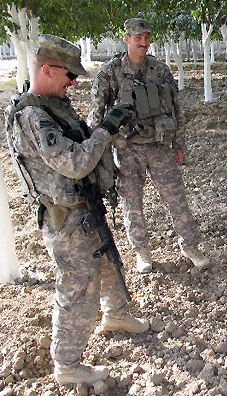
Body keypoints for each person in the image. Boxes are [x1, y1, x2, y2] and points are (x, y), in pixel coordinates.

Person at [4, 34, 150, 386]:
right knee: (78, 285)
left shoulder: (55, 104)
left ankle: (115, 314)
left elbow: (83, 143)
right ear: (47, 69)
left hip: (84, 207)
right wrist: (107, 128)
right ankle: (67, 363)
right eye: (69, 75)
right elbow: (74, 162)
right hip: (64, 216)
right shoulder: (32, 116)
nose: (72, 83)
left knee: (108, 262)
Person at [87, 18, 209, 273]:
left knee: (177, 200)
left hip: (159, 147)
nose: (143, 43)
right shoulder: (111, 72)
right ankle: (142, 251)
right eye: (137, 38)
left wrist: (179, 144)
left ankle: (190, 246)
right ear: (127, 38)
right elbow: (96, 115)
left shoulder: (161, 70)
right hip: (127, 149)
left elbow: (176, 109)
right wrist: (96, 154)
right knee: (132, 203)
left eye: (146, 38)